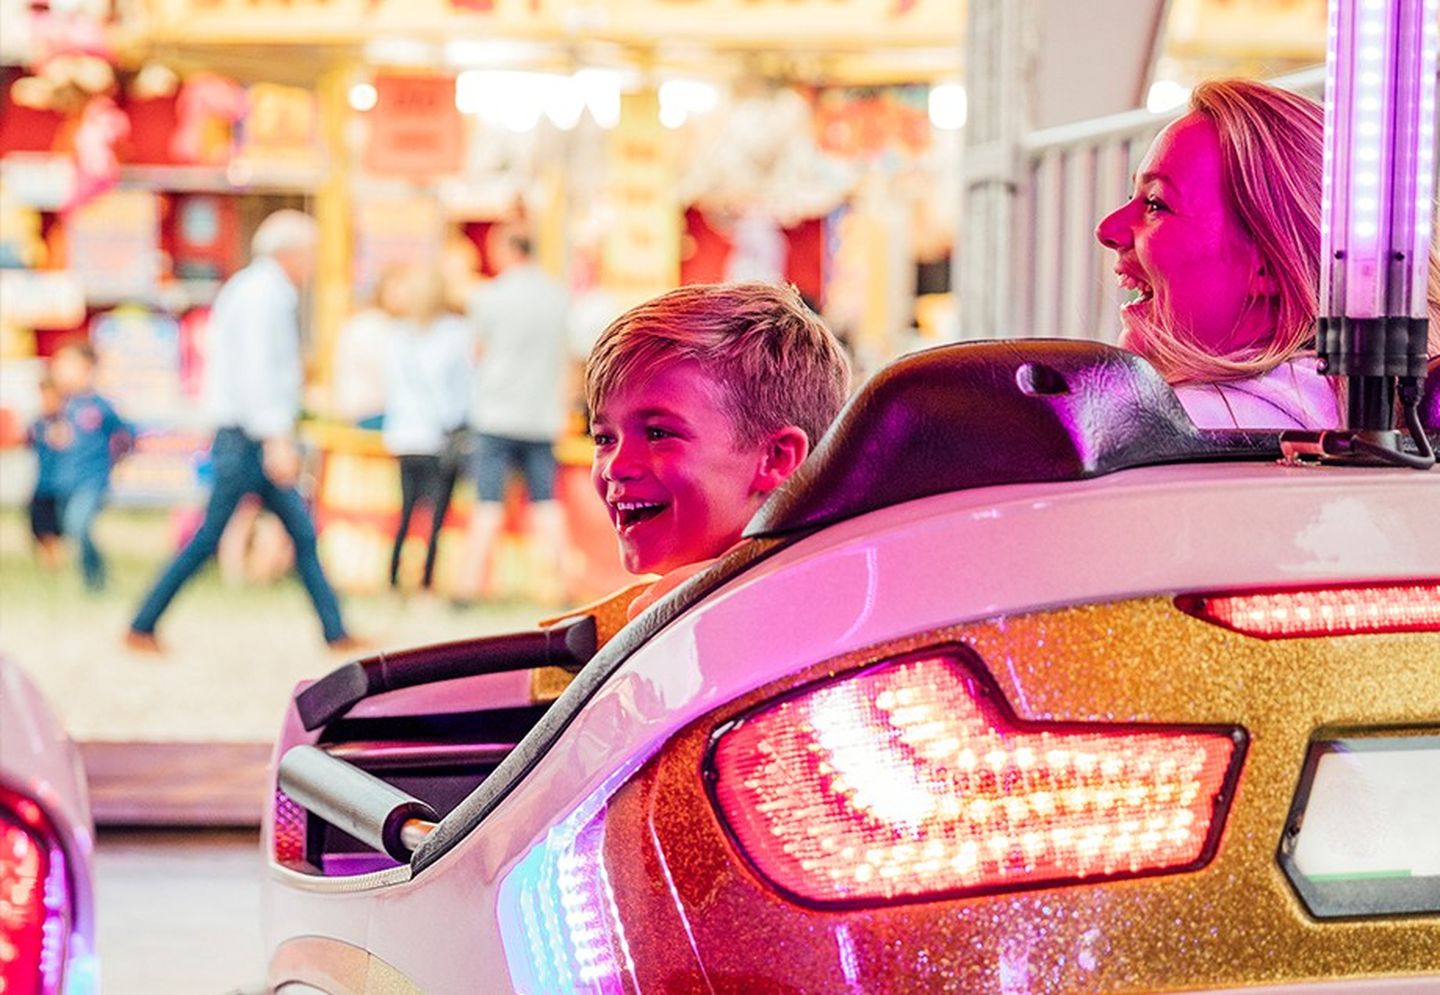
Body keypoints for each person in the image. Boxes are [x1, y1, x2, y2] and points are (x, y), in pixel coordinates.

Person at [1095, 78, 1440, 430]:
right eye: (1131, 198)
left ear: (1270, 266)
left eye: (1156, 204)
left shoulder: (1175, 428)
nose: (1107, 229)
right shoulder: (1375, 420)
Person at [127, 210, 358, 652]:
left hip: (247, 433)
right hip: (249, 437)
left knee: (298, 532)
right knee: (215, 534)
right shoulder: (263, 296)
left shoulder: (256, 290)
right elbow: (257, 375)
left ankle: (335, 630)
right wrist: (276, 438)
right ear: (292, 252)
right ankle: (142, 623)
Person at [585, 282, 851, 619]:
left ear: (776, 457)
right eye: (604, 439)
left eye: (658, 433)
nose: (615, 467)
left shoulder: (718, 615)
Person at [454, 226, 573, 605]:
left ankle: (469, 587)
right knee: (546, 504)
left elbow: (475, 352)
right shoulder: (557, 297)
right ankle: (564, 584)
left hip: (496, 414)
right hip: (540, 416)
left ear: (507, 250)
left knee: (488, 503)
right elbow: (567, 356)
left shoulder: (489, 296)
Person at [383, 265, 473, 593]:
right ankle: (425, 581)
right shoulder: (456, 334)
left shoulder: (397, 336)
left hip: (404, 433)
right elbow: (462, 389)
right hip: (438, 433)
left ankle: (393, 576)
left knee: (406, 509)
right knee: (436, 515)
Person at [48, 339, 133, 592]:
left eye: (67, 364)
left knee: (79, 525)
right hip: (65, 481)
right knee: (71, 529)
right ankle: (92, 578)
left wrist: (116, 460)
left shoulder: (100, 406)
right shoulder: (62, 404)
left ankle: (95, 581)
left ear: (87, 367)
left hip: (91, 480)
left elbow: (125, 436)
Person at [332, 264, 406, 429]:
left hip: (377, 411)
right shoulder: (369, 326)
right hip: (370, 413)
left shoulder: (391, 325)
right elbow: (389, 374)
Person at [26, 375, 66, 571]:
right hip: (41, 484)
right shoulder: (37, 423)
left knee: (55, 531)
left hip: (60, 485)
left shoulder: (67, 422)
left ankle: (56, 567)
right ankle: (48, 568)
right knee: (38, 529)